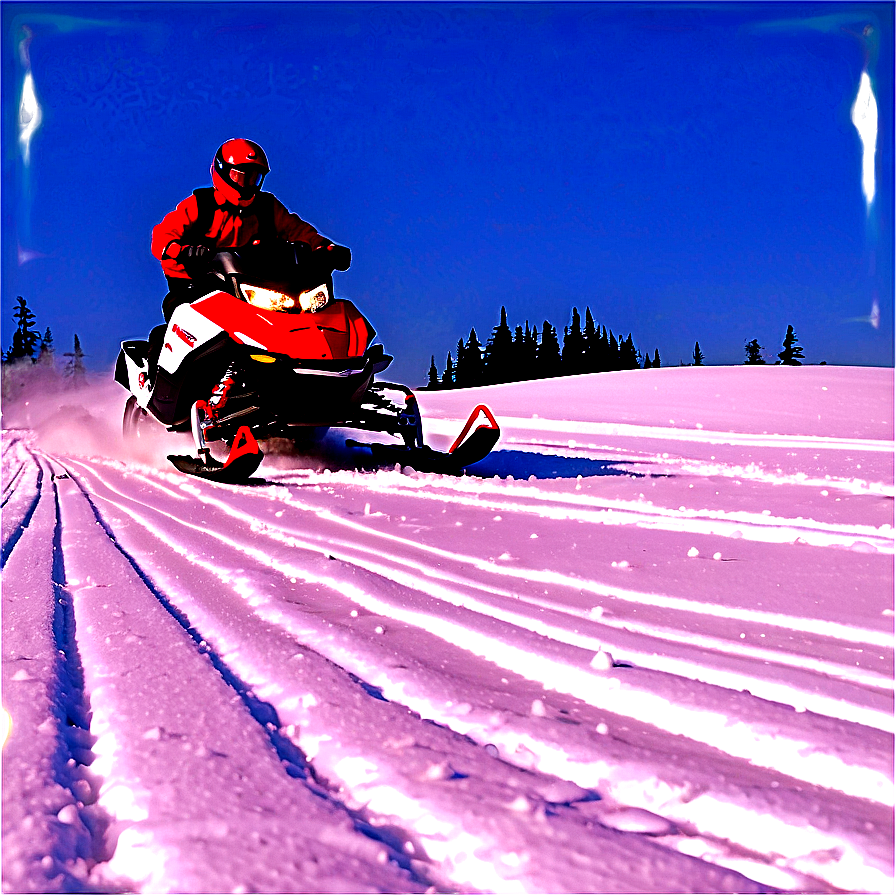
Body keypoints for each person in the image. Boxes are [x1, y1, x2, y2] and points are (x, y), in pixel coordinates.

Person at [146, 139, 350, 426]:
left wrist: (324, 248)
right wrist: (181, 250)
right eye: (241, 175)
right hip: (195, 282)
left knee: (302, 318)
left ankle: (310, 390)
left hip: (250, 286)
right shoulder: (201, 205)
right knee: (183, 319)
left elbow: (296, 228)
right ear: (223, 172)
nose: (247, 183)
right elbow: (163, 234)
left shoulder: (267, 208)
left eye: (254, 176)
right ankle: (159, 385)